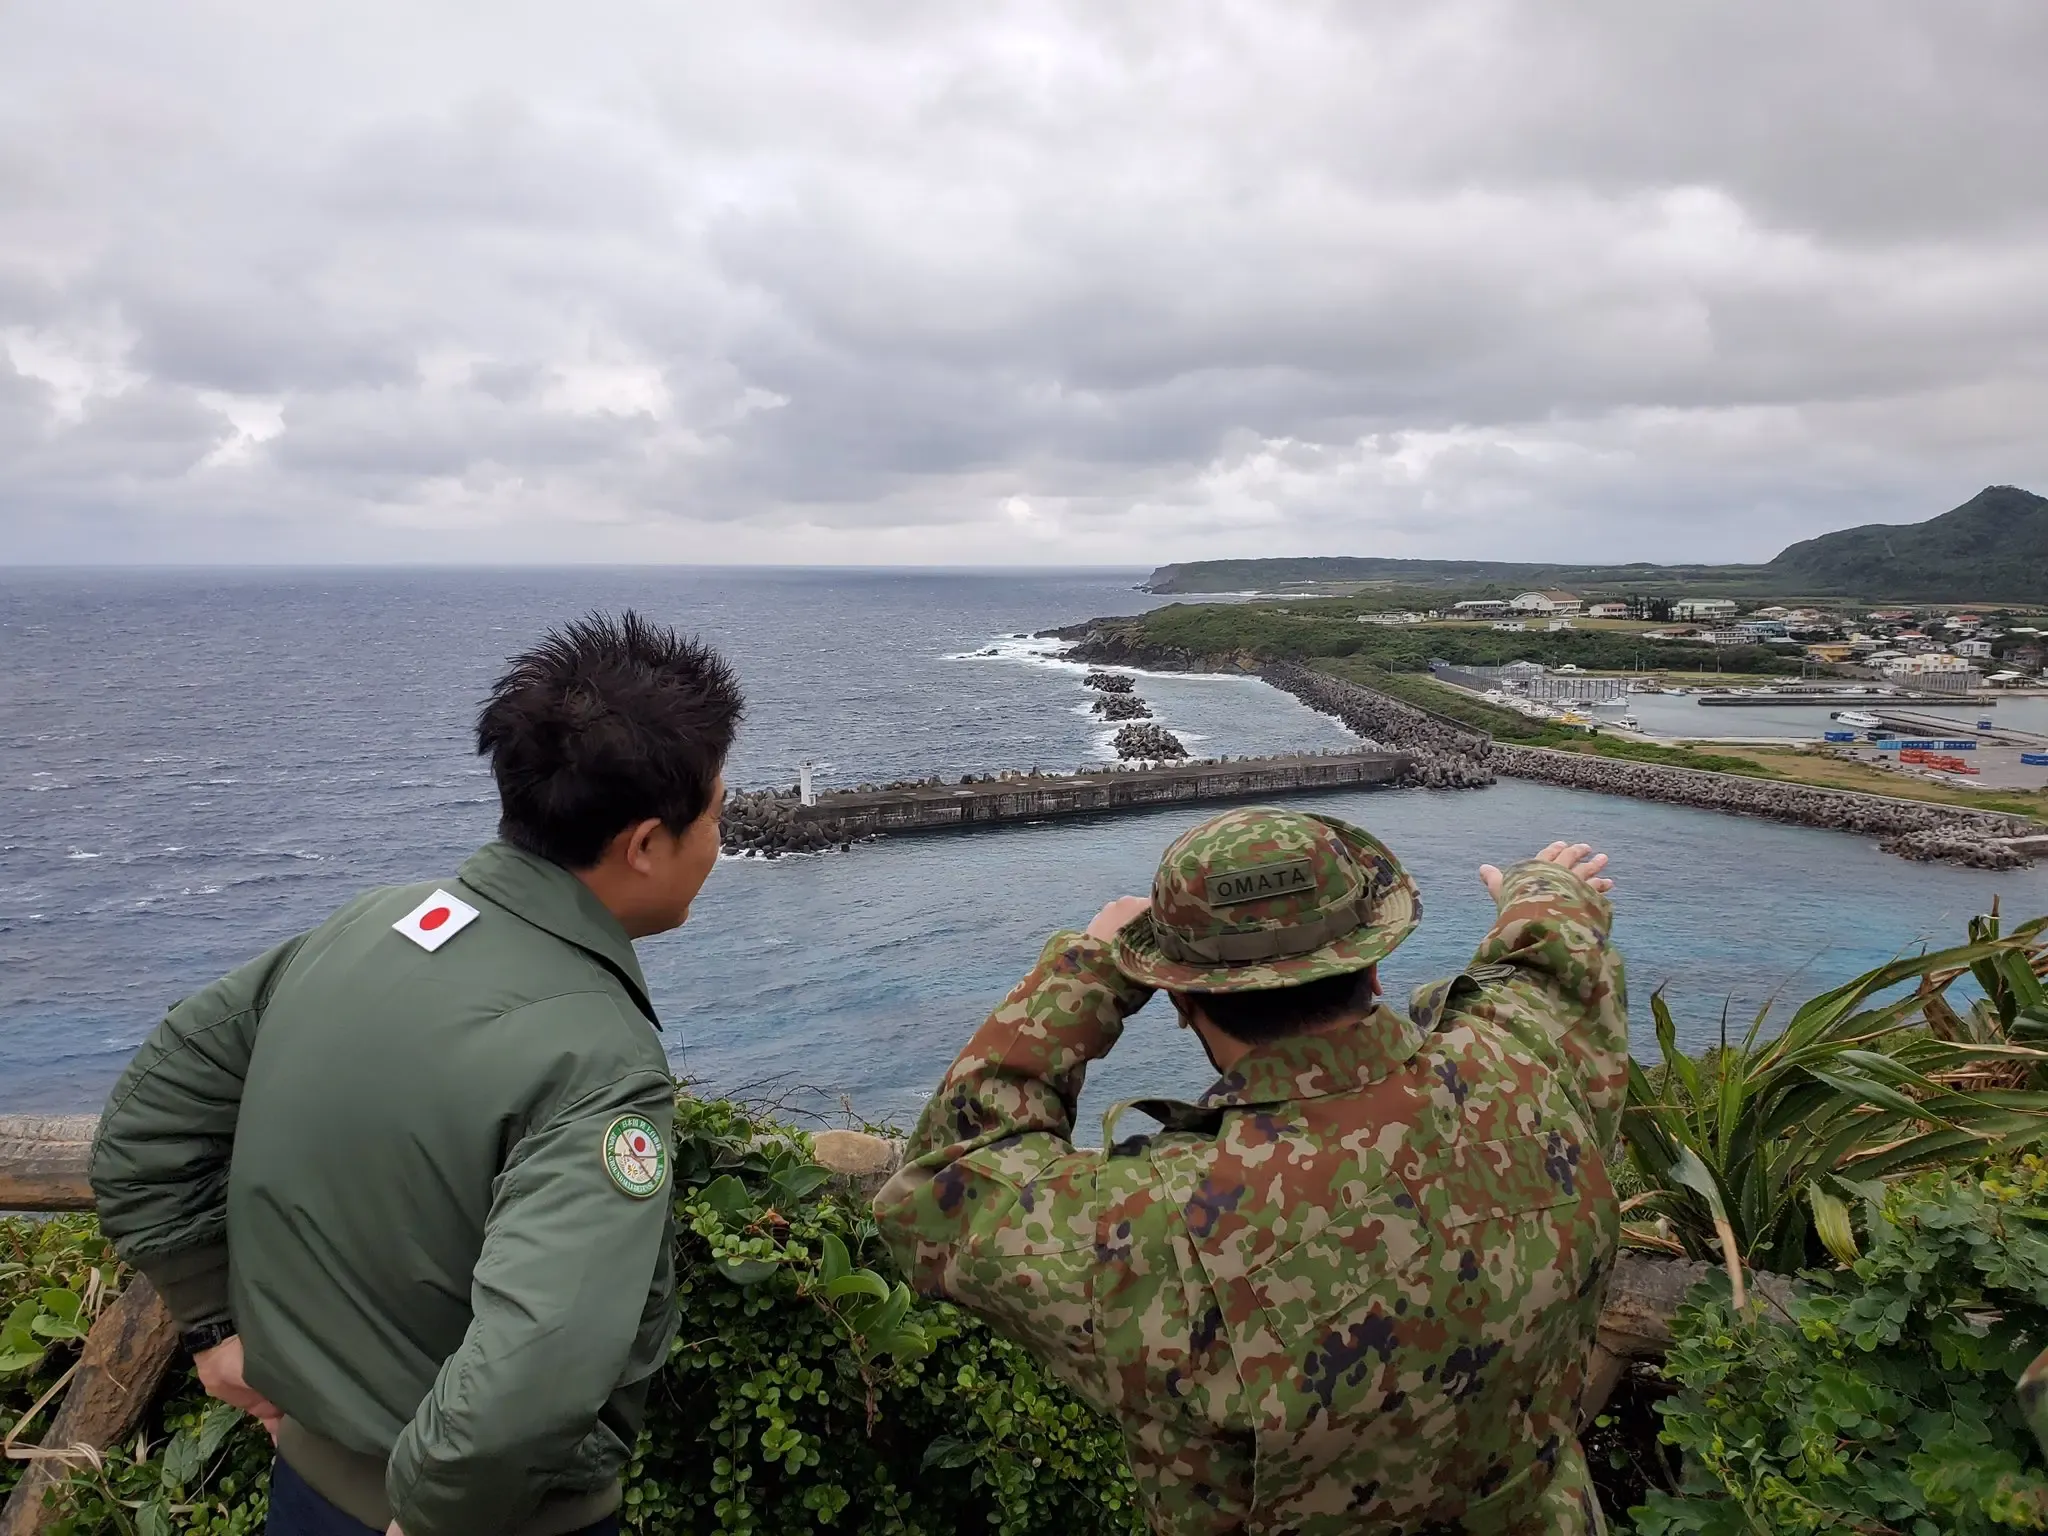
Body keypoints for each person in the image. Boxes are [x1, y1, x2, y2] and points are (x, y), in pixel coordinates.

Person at [91, 611, 743, 1536]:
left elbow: (142, 1133)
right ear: (645, 844)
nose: (721, 836)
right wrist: (437, 1515)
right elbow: (543, 1350)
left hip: (309, 1485)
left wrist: (211, 1323)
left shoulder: (363, 927)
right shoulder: (598, 1060)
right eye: (716, 812)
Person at [875, 804, 1627, 1534]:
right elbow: (1553, 972)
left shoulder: (1149, 1230)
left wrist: (1092, 970)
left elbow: (942, 1184)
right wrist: (1547, 891)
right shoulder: (1529, 1068)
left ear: (1180, 1003)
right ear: (1373, 969)